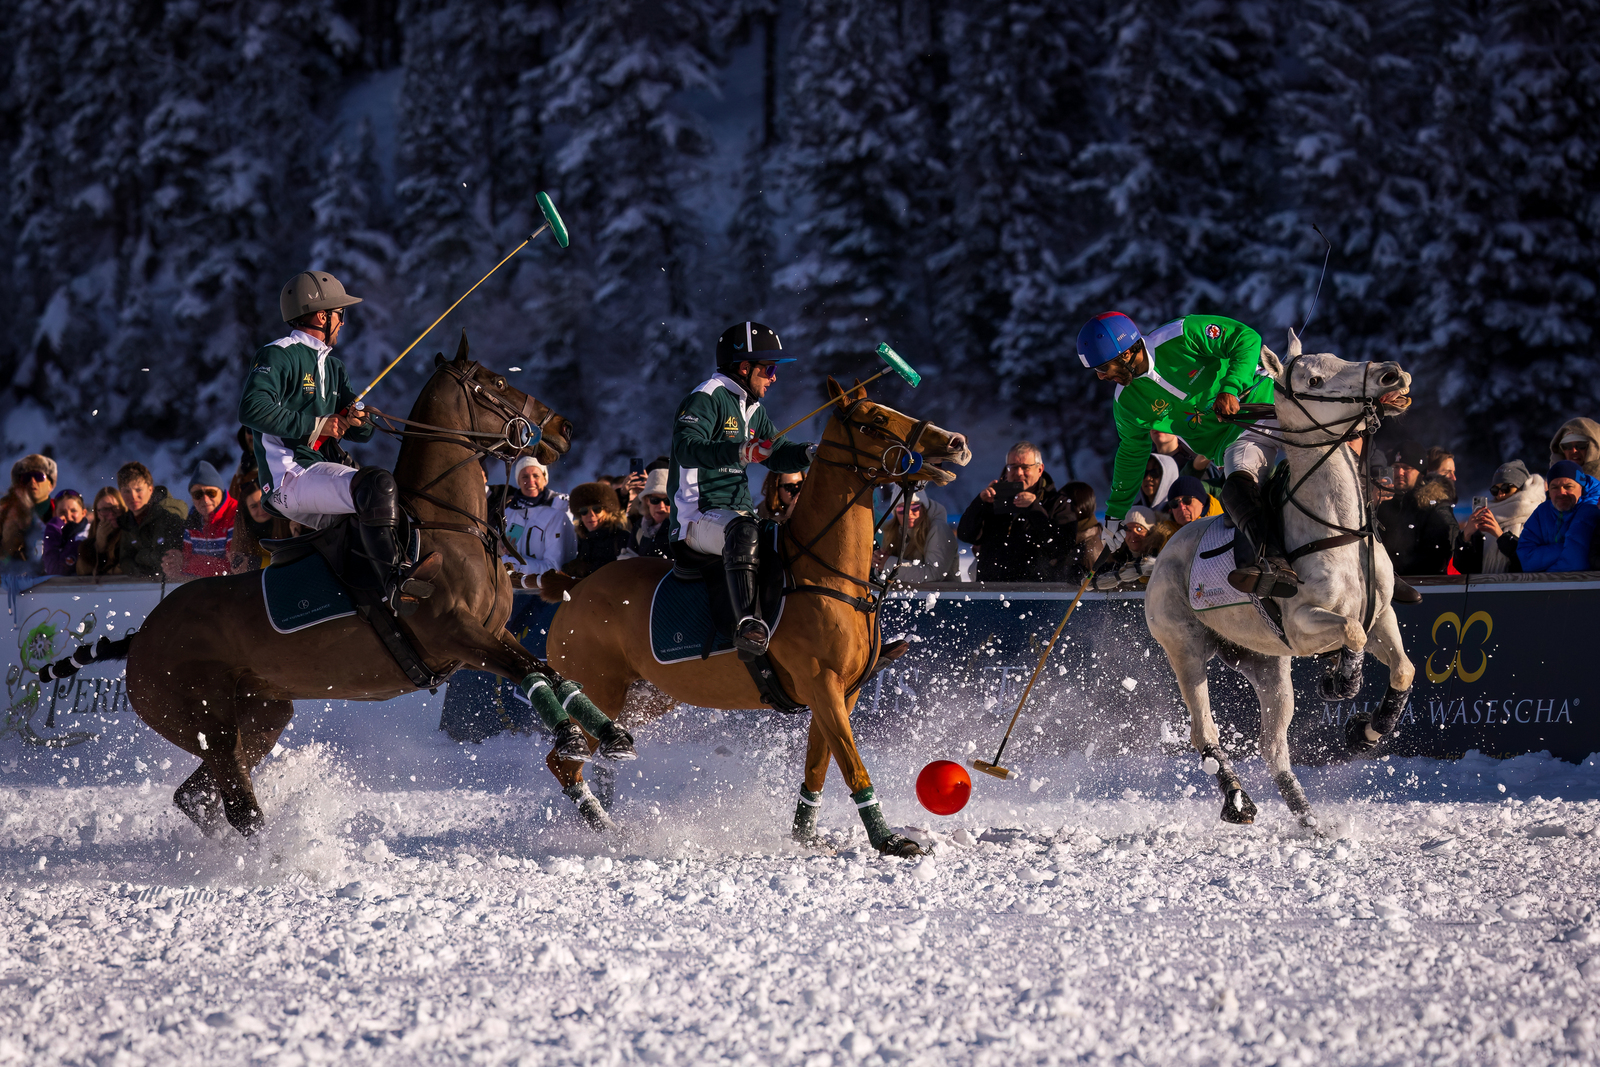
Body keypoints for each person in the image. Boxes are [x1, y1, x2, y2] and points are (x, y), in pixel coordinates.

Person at [238, 270, 434, 612]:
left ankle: (363, 598)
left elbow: (359, 431)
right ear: (322, 315)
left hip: (314, 473)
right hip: (287, 477)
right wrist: (319, 424)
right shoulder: (278, 354)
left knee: (390, 500)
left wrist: (359, 419)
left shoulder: (334, 366)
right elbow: (251, 408)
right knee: (376, 485)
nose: (343, 322)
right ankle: (395, 584)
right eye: (340, 314)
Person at [1076, 311, 1297, 599]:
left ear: (1129, 352)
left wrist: (1230, 388)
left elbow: (1246, 338)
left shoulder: (1180, 335)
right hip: (1235, 440)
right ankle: (1275, 565)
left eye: (1105, 367)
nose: (1102, 376)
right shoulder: (1127, 403)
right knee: (1239, 488)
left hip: (1267, 404)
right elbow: (1132, 453)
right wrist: (1116, 514)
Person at [668, 321, 813, 656]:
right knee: (745, 532)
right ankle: (747, 625)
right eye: (770, 368)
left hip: (736, 515)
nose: (774, 377)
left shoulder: (753, 407)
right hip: (696, 516)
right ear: (745, 367)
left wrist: (810, 453)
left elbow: (777, 453)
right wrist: (740, 451)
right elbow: (687, 447)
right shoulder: (707, 397)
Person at [956, 443, 1074, 582]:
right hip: (991, 591)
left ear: (1040, 469)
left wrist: (1034, 509)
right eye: (1013, 467)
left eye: (1025, 467)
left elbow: (1061, 548)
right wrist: (980, 503)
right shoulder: (994, 499)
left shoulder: (1057, 503)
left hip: (1037, 593)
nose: (1018, 473)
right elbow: (966, 535)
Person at [496, 455, 576, 590]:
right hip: (511, 591)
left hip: (545, 593)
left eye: (536, 476)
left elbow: (554, 567)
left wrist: (514, 564)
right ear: (518, 481)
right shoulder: (509, 513)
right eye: (524, 477)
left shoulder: (558, 513)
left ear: (545, 479)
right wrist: (499, 554)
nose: (530, 481)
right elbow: (499, 558)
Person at [1453, 461, 1545, 575]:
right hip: (1485, 589)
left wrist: (1501, 536)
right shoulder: (1487, 519)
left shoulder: (1537, 517)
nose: (1500, 495)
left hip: (1519, 589)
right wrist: (1465, 537)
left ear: (1521, 488)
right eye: (1495, 490)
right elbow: (1465, 568)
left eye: (1506, 488)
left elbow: (1530, 562)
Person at [1517, 460, 1600, 573]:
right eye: (1554, 487)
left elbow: (1576, 562)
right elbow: (1526, 559)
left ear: (1581, 488)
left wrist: (1543, 571)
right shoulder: (1542, 511)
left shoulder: (1589, 509)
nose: (1561, 492)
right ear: (1549, 491)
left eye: (1568, 486)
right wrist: (1564, 547)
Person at [1375, 464, 1457, 576]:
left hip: (1423, 584)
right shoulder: (1385, 503)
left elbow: (1436, 557)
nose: (1399, 472)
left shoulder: (1433, 505)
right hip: (1392, 580)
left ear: (1421, 474)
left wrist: (1395, 568)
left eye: (1406, 468)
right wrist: (1373, 502)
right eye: (1395, 467)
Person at [164, 461, 239, 580]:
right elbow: (185, 568)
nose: (205, 499)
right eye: (198, 494)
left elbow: (231, 567)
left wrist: (184, 564)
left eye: (211, 493)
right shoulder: (193, 519)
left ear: (221, 492)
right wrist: (172, 565)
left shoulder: (235, 515)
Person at [115, 461, 189, 579]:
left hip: (176, 587)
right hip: (149, 589)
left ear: (150, 489)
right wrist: (141, 571)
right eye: (126, 491)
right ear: (120, 493)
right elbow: (124, 561)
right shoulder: (127, 521)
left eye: (138, 489)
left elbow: (164, 560)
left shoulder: (167, 514)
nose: (133, 496)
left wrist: (138, 557)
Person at [875, 489, 957, 583]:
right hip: (904, 596)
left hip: (946, 595)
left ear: (923, 508)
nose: (908, 514)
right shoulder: (893, 533)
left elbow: (934, 574)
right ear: (895, 513)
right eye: (901, 510)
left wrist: (888, 564)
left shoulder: (938, 529)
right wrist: (880, 564)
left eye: (914, 508)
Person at [1094, 504, 1177, 589]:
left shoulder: (1160, 554)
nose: (1133, 535)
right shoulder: (1118, 555)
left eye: (1139, 529)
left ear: (1151, 532)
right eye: (1128, 530)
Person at [1, 453, 57, 566]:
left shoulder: (65, 512)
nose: (32, 482)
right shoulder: (5, 514)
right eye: (26, 478)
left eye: (38, 476)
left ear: (50, 485)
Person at [567, 482, 631, 578]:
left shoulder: (621, 538)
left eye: (596, 509)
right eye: (584, 511)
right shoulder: (579, 540)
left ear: (608, 510)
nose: (591, 515)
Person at [1053, 482, 1105, 583]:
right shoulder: (1073, 538)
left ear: (1077, 507)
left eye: (1061, 504)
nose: (1056, 509)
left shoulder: (1089, 546)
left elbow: (1098, 591)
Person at [624, 468, 672, 560]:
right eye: (655, 500)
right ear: (647, 501)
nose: (661, 506)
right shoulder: (639, 527)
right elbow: (629, 560)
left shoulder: (681, 529)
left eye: (667, 501)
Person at [77, 488, 127, 576]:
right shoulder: (90, 540)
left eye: (115, 508)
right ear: (97, 513)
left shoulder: (131, 532)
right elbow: (82, 571)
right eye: (104, 510)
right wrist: (98, 545)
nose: (111, 514)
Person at [40, 490, 89, 575]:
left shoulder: (84, 537)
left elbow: (55, 571)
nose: (68, 516)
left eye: (73, 511)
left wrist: (52, 531)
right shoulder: (56, 534)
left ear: (83, 513)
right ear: (55, 514)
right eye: (62, 512)